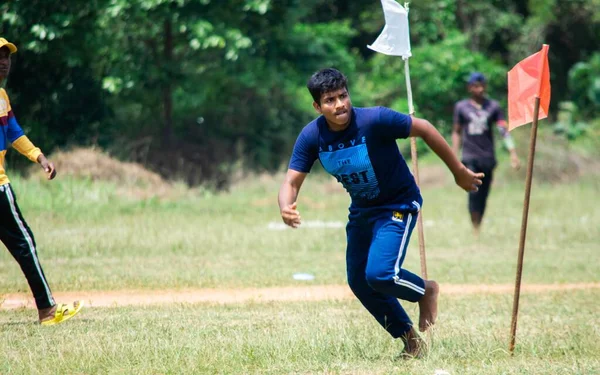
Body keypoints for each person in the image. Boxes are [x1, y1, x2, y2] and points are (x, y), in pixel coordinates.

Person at [278, 68, 483, 357]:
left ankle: (426, 290)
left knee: (380, 274)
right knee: (360, 282)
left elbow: (423, 128)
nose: (339, 105)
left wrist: (459, 172)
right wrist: (286, 206)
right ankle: (411, 343)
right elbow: (291, 181)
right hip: (363, 211)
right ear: (317, 106)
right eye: (330, 100)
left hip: (398, 204)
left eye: (343, 96)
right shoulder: (313, 136)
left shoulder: (375, 120)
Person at [0, 37, 83, 325]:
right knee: (24, 243)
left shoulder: (2, 97)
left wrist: (39, 157)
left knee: (24, 244)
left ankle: (47, 309)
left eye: (6, 56)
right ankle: (47, 311)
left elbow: (13, 133)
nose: (3, 62)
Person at [452, 72, 520, 234]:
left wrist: (513, 152)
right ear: (470, 88)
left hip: (487, 157)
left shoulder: (493, 107)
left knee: (484, 194)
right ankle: (475, 227)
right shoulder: (461, 107)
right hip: (470, 157)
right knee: (474, 192)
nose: (480, 89)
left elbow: (503, 130)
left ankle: (478, 224)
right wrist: (453, 153)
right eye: (476, 86)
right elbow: (456, 131)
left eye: (482, 85)